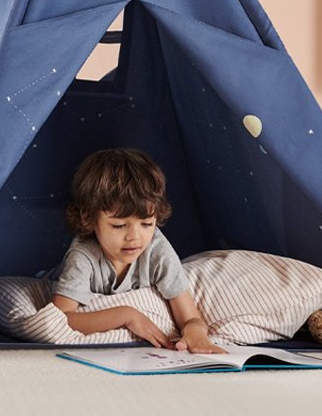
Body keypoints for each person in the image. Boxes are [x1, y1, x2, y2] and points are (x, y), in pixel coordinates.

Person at [50, 148, 225, 354]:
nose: (135, 237)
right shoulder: (83, 256)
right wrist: (126, 315)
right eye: (119, 225)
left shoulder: (156, 249)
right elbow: (61, 318)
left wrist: (196, 334)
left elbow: (190, 317)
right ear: (88, 218)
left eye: (146, 223)